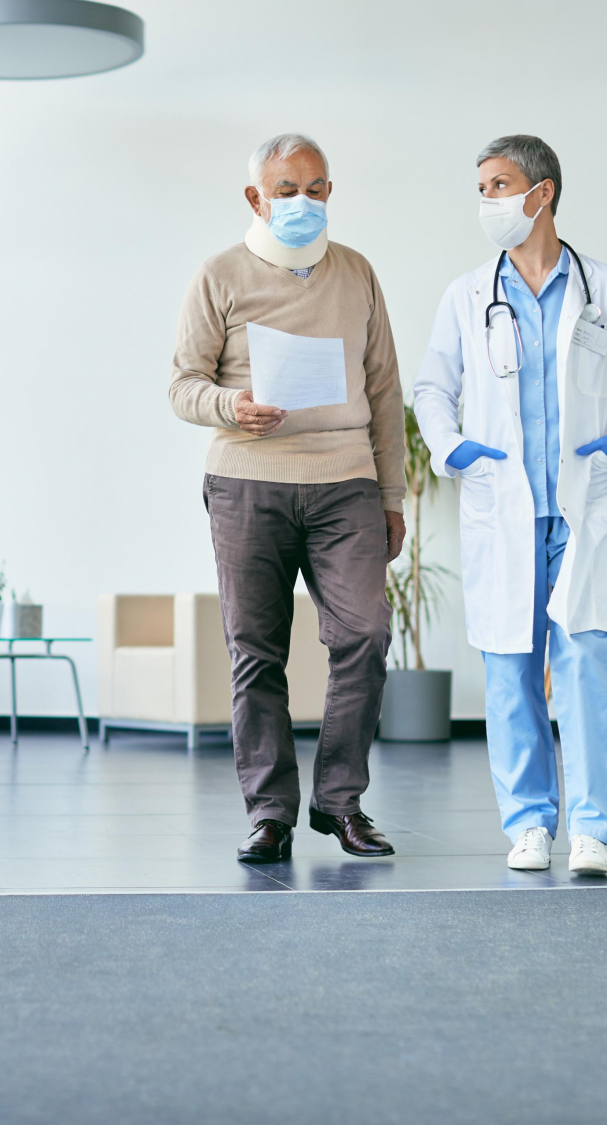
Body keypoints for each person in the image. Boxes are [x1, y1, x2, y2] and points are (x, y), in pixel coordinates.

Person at [170, 133, 407, 862]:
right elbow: (182, 384)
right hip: (247, 479)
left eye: (314, 187)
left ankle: (339, 802)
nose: (301, 201)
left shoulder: (358, 273)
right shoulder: (220, 274)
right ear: (255, 198)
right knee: (256, 652)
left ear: (330, 191)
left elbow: (385, 391)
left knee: (365, 634)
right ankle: (269, 812)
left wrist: (392, 496)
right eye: (285, 189)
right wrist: (230, 405)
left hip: (346, 483)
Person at [414, 135, 607, 876]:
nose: (488, 201)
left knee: (588, 659)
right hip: (505, 504)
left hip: (584, 501)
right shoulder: (467, 295)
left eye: (499, 185)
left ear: (543, 192)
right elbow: (433, 388)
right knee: (509, 663)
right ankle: (529, 822)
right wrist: (452, 446)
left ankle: (592, 825)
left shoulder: (597, 286)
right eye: (482, 188)